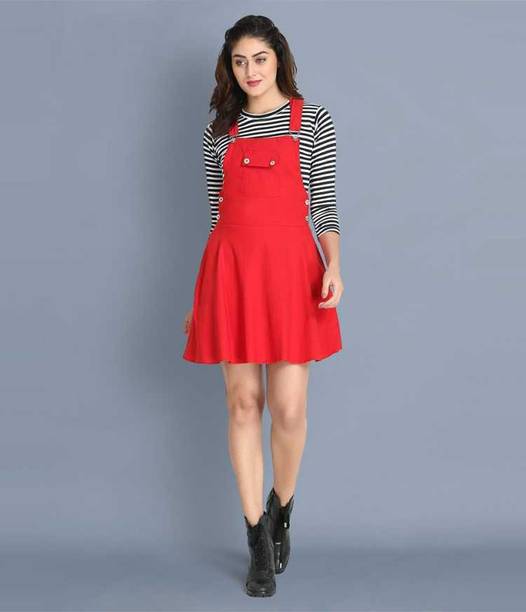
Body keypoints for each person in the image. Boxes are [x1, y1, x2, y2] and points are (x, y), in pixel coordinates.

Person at [182, 14, 344, 597]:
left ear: (279, 59)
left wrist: (334, 266)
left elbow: (323, 206)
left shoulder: (311, 120)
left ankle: (283, 506)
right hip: (232, 274)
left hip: (292, 273)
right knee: (243, 403)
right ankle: (255, 538)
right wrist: (201, 298)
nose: (250, 71)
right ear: (229, 68)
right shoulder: (219, 132)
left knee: (289, 409)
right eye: (239, 61)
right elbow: (216, 216)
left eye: (260, 59)